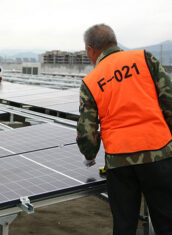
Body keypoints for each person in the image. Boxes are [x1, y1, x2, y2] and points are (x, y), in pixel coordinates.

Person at [77, 23, 172, 234]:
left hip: (120, 161)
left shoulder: (91, 81)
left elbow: (87, 128)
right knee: (167, 220)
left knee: (124, 224)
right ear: (114, 42)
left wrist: (89, 154)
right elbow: (169, 101)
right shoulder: (145, 59)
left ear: (90, 50)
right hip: (159, 152)